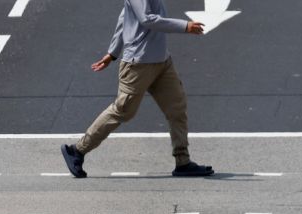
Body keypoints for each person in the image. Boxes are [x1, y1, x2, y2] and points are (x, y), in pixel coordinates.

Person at [60, 0, 214, 179]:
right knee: (123, 111)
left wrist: (112, 53)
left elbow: (124, 17)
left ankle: (183, 161)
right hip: (138, 64)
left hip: (162, 62)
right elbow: (146, 19)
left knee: (177, 108)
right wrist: (184, 26)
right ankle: (77, 150)